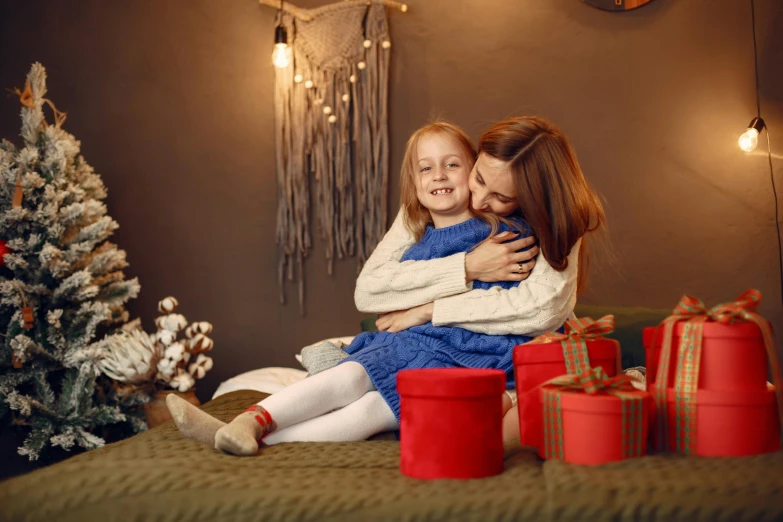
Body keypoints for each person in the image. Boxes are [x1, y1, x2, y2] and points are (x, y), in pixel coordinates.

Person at [166, 121, 560, 454]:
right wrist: (455, 278)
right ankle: (251, 421)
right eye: (426, 169)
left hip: (473, 352)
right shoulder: (414, 239)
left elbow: (523, 305)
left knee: (373, 409)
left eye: (452, 164)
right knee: (354, 377)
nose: (438, 175)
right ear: (415, 184)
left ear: (474, 170)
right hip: (416, 342)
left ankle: (255, 439)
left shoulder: (506, 231)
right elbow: (373, 292)